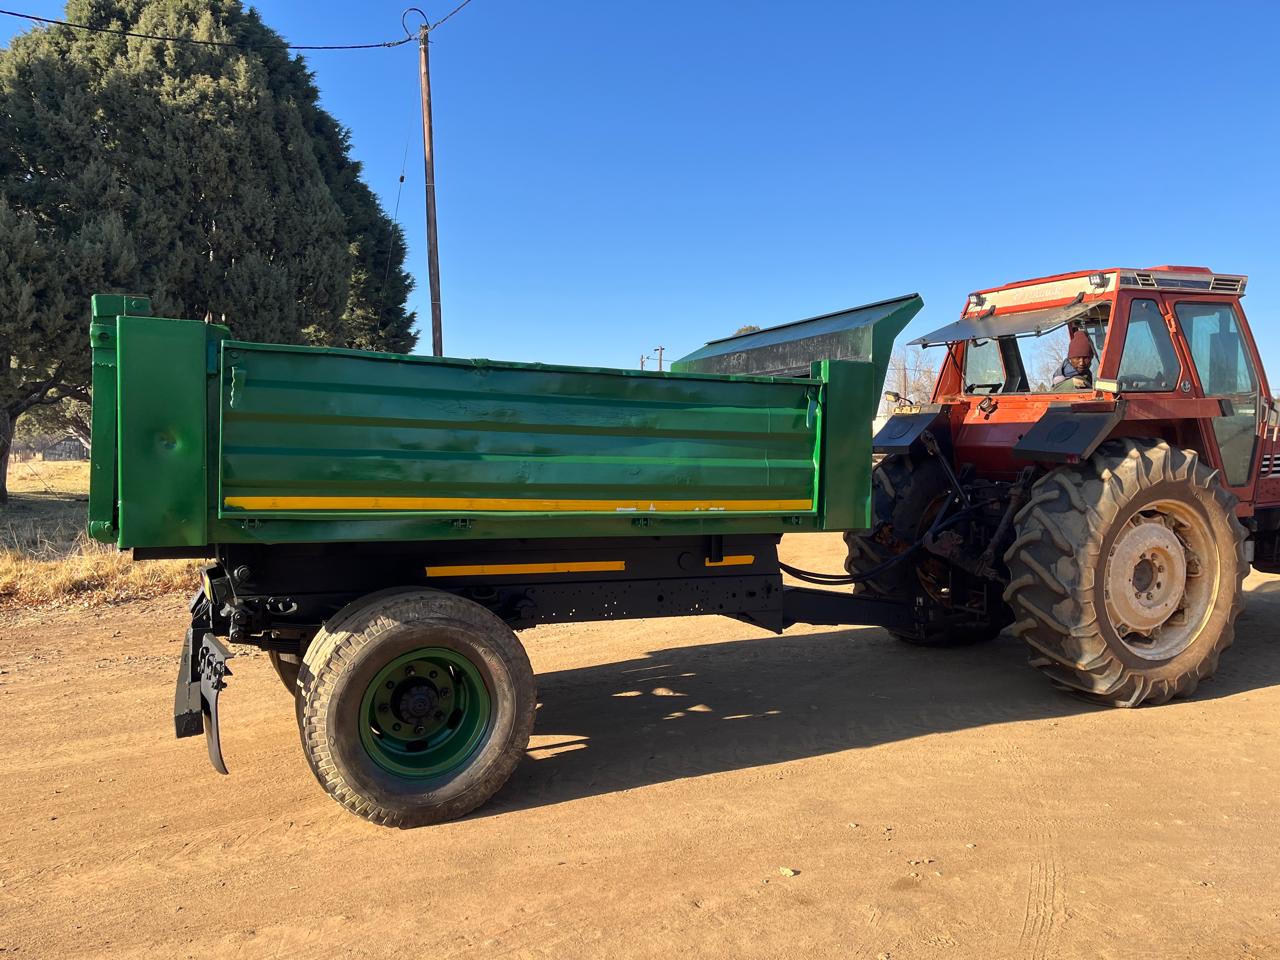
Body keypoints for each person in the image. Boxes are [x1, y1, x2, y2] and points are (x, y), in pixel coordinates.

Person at [1056, 323, 1095, 389]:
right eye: (1077, 358)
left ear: (1091, 358)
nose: (1081, 363)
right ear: (1070, 359)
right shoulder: (1076, 384)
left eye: (1086, 358)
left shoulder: (1087, 375)